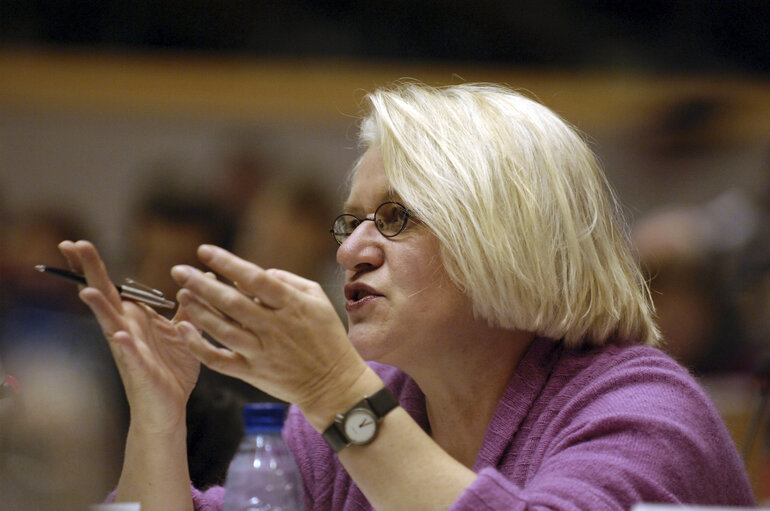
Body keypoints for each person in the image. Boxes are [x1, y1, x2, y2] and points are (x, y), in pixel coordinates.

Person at [57, 82, 755, 511]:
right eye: (350, 220)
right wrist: (159, 411)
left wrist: (335, 391)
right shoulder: (379, 401)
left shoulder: (645, 411)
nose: (349, 250)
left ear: (509, 235)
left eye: (394, 218)